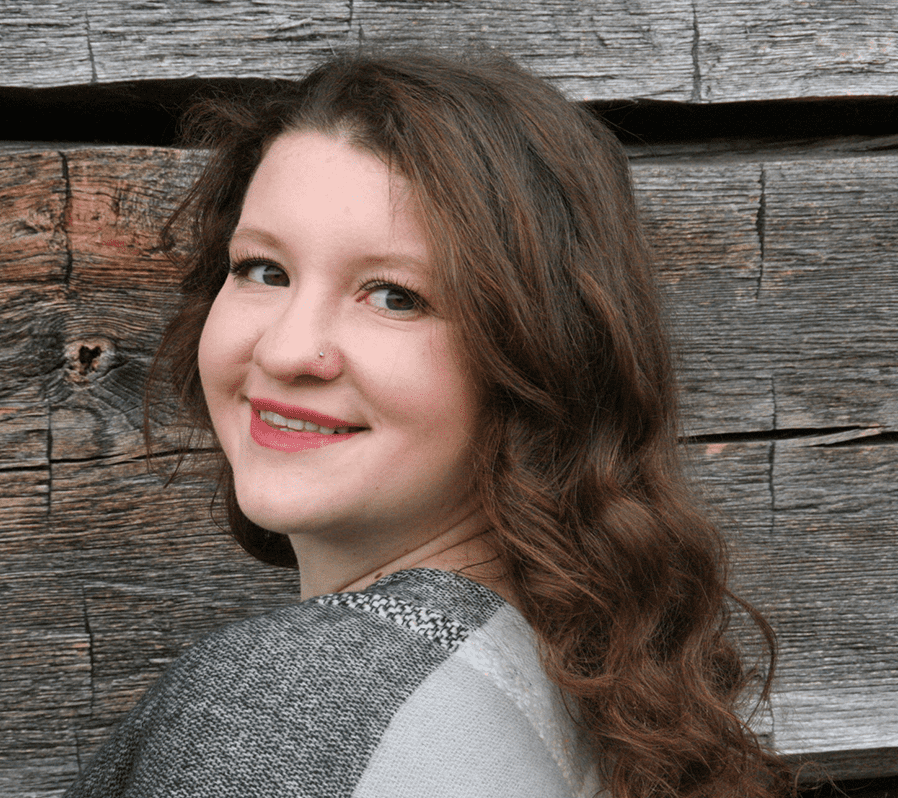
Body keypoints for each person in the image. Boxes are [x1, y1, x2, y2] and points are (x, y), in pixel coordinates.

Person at [65, 51, 795, 798]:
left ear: (537, 360)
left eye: (394, 297)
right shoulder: (586, 686)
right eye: (263, 270)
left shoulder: (291, 708)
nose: (287, 349)